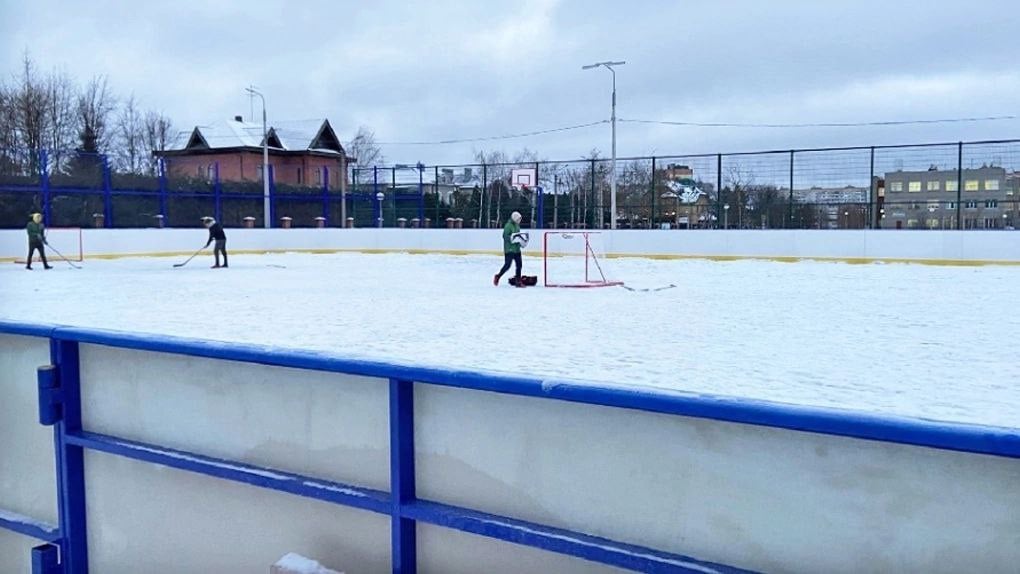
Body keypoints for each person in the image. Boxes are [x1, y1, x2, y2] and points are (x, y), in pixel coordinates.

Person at [493, 211, 524, 287]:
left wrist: (521, 242)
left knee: (519, 265)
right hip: (509, 249)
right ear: (515, 219)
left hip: (517, 249)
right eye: (518, 219)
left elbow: (518, 236)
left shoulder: (517, 226)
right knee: (507, 265)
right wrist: (512, 238)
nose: (519, 221)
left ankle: (518, 281)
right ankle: (498, 276)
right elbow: (505, 236)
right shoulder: (508, 226)